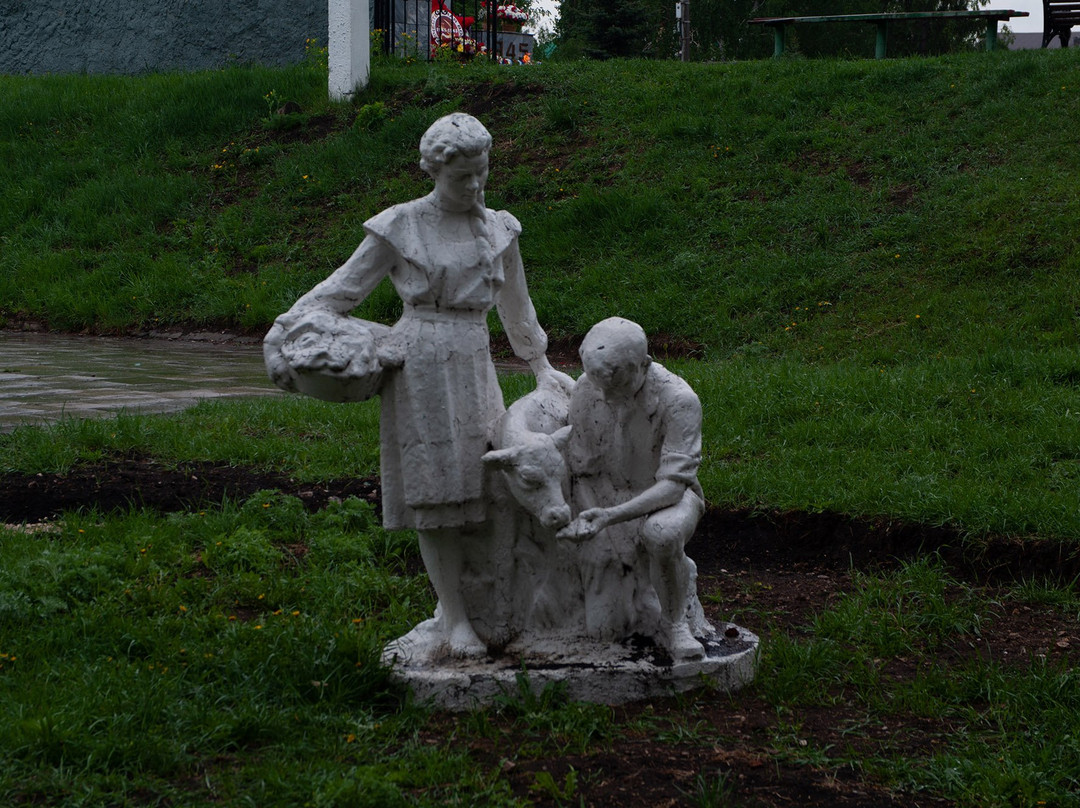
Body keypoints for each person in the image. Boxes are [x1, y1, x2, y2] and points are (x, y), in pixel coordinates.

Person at [268, 113, 563, 658]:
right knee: (436, 492)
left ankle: (490, 602)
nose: (474, 186)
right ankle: (454, 620)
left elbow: (516, 304)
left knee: (488, 481)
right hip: (420, 363)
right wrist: (295, 333)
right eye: (462, 178)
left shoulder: (500, 228)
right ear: (434, 171)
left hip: (475, 359)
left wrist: (540, 364)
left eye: (482, 173)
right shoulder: (401, 226)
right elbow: (338, 292)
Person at [557, 317, 707, 661]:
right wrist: (597, 523)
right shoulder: (586, 390)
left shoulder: (679, 401)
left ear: (645, 364)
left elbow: (672, 486)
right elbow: (582, 468)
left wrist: (611, 517)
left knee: (661, 534)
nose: (606, 396)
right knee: (603, 628)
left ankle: (675, 622)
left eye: (617, 383)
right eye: (599, 385)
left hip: (665, 499)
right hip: (604, 497)